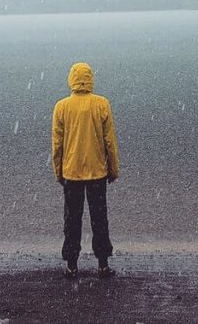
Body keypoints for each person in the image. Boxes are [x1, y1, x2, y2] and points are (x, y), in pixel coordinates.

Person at [52, 62, 120, 278]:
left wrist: (58, 172)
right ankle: (102, 264)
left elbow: (57, 144)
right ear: (90, 79)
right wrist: (113, 169)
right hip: (97, 172)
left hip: (71, 173)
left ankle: (72, 265)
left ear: (71, 79)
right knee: (99, 219)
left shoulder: (61, 107)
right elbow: (110, 141)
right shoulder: (102, 104)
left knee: (72, 220)